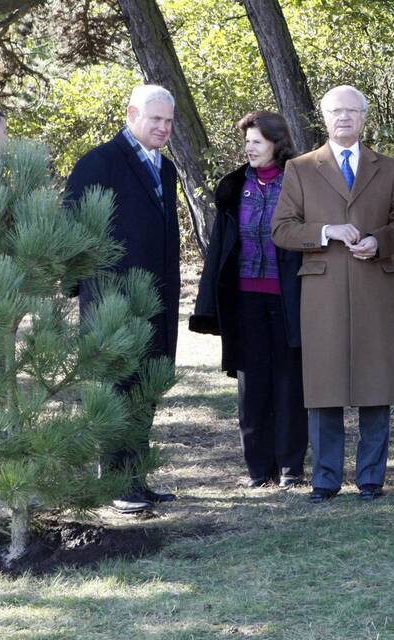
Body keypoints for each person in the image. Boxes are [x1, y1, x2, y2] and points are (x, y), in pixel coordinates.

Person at [271, 84, 394, 503]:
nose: (344, 118)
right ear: (324, 117)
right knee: (324, 383)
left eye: (352, 111)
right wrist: (325, 232)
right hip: (322, 288)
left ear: (365, 117)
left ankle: (371, 478)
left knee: (375, 381)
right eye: (336, 111)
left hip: (373, 283)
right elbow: (281, 229)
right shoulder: (300, 167)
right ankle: (325, 479)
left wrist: (379, 240)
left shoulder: (387, 167)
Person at [65, 85, 181, 514]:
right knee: (116, 391)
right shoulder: (99, 162)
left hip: (157, 301)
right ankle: (115, 484)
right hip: (112, 303)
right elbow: (71, 228)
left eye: (169, 122)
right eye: (156, 120)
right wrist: (88, 290)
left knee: (145, 391)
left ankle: (136, 480)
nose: (163, 128)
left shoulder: (165, 169)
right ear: (132, 114)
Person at [189, 111, 308, 489]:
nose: (250, 148)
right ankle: (259, 471)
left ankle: (291, 469)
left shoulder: (298, 182)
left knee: (290, 384)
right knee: (251, 386)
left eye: (257, 141)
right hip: (245, 301)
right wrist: (207, 305)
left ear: (276, 143)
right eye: (247, 142)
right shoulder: (235, 186)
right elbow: (221, 249)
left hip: (290, 299)